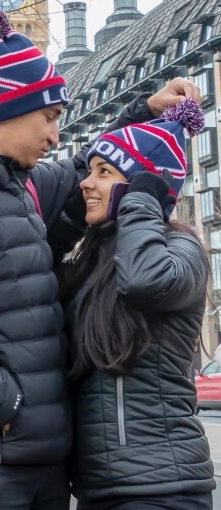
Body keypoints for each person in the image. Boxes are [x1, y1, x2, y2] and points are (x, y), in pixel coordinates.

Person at [0, 7, 201, 510]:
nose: (54, 134)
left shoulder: (24, 186)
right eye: (49, 118)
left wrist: (144, 115)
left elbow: (93, 172)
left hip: (39, 460)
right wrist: (7, 403)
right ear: (8, 108)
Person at [59, 99, 215, 509]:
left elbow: (146, 281)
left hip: (163, 488)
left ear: (141, 186)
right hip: (99, 487)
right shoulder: (93, 258)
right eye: (89, 172)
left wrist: (143, 199)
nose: (85, 184)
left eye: (104, 173)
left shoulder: (180, 248)